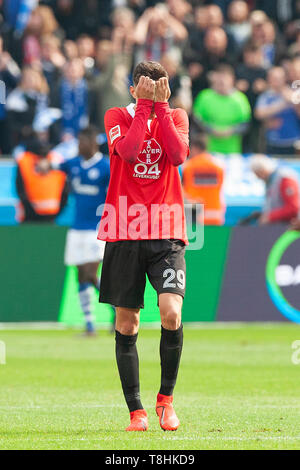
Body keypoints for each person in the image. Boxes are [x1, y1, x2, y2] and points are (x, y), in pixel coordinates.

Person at [97, 61, 189, 432]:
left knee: (171, 313)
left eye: (157, 86)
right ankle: (136, 411)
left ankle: (165, 401)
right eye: (144, 87)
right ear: (134, 88)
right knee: (127, 322)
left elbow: (178, 156)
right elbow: (131, 151)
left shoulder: (177, 115)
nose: (150, 92)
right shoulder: (116, 114)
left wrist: (162, 109)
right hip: (123, 229)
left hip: (166, 229)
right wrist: (147, 108)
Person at [38, 126, 112, 335]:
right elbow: (55, 165)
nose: (78, 146)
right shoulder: (74, 164)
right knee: (80, 275)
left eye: (81, 142)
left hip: (96, 229)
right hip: (76, 229)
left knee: (90, 273)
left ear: (92, 143)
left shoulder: (106, 167)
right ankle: (90, 324)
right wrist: (45, 165)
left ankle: (115, 306)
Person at [193, 64, 251, 154]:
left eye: (225, 79)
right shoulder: (204, 97)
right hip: (207, 150)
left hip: (232, 151)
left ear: (232, 80)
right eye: (219, 79)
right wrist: (210, 130)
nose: (222, 82)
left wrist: (231, 131)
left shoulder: (240, 99)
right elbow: (196, 120)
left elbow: (245, 124)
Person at [16, 137, 67, 223]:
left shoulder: (57, 161)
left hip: (50, 217)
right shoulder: (24, 161)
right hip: (29, 218)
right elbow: (20, 189)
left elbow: (65, 191)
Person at [255, 67, 300, 155]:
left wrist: (293, 102)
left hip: (293, 142)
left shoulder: (293, 93)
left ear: (285, 78)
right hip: (272, 142)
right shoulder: (266, 96)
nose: (276, 81)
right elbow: (259, 114)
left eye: (279, 78)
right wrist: (282, 105)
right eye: (273, 78)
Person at [183, 134, 225, 225]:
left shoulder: (188, 166)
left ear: (195, 148)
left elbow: (183, 189)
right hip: (215, 214)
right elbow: (220, 187)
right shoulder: (218, 165)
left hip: (194, 214)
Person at [250, 154, 300, 225]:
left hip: (288, 227)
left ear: (262, 170)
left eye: (257, 174)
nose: (258, 178)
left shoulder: (285, 179)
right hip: (278, 227)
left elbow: (293, 208)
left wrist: (270, 216)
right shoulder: (270, 181)